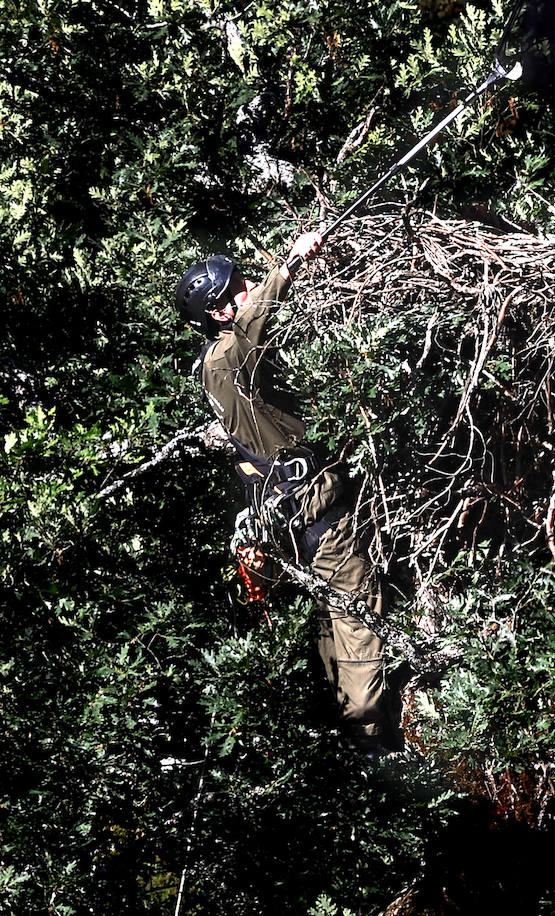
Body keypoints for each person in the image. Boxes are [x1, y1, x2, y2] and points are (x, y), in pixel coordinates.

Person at [176, 231, 403, 755]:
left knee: (329, 619)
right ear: (219, 311)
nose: (249, 288)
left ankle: (344, 735)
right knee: (357, 621)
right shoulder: (227, 357)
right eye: (239, 287)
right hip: (316, 517)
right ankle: (373, 744)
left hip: (294, 524)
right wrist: (291, 263)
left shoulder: (215, 367)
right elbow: (255, 326)